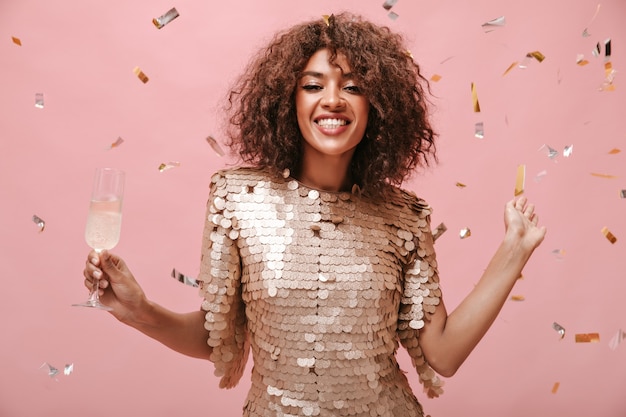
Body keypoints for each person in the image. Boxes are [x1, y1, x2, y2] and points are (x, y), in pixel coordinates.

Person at [82, 13, 546, 417]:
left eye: (353, 87)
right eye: (313, 85)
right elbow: (216, 340)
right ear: (289, 100)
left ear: (377, 107)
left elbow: (442, 354)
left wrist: (514, 250)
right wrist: (138, 310)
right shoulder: (236, 197)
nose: (333, 100)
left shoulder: (404, 217)